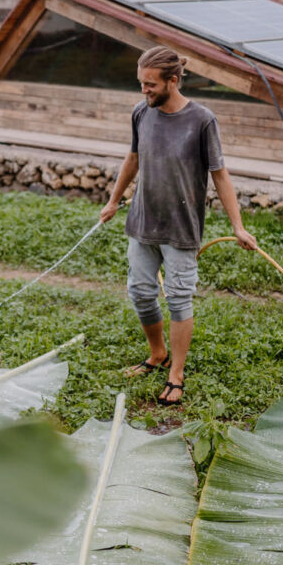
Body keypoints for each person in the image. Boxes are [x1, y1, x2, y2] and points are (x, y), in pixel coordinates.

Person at [99, 45, 257, 406]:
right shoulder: (142, 112)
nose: (144, 90)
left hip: (181, 227)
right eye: (140, 83)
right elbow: (133, 158)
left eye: (150, 84)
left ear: (173, 80)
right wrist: (112, 201)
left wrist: (238, 226)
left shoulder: (201, 120)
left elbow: (220, 174)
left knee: (179, 299)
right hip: (142, 220)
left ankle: (176, 374)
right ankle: (158, 354)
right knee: (140, 292)